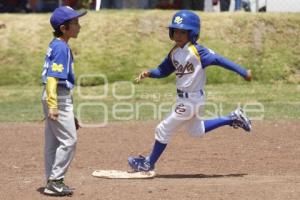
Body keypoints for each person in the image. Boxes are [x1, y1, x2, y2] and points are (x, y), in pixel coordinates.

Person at [128, 10, 252, 172]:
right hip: (189, 100)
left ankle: (148, 163)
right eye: (175, 31)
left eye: (183, 32)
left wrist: (243, 72)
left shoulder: (198, 52)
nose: (178, 35)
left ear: (192, 33)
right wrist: (150, 73)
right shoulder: (174, 52)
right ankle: (232, 118)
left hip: (191, 100)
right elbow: (163, 71)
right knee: (196, 131)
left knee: (163, 128)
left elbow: (220, 60)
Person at [41, 6, 86, 196]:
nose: (79, 26)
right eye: (74, 23)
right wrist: (54, 105)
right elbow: (53, 78)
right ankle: (55, 181)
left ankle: (52, 180)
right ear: (63, 28)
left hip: (54, 95)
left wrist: (69, 113)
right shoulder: (61, 47)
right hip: (57, 96)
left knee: (53, 142)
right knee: (69, 141)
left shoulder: (56, 44)